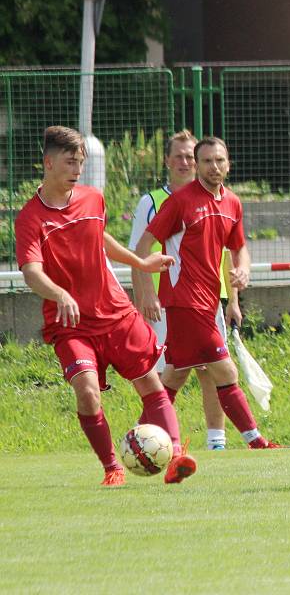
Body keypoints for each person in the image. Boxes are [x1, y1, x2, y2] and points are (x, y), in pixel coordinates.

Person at [14, 125, 197, 486]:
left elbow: (101, 237)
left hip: (115, 313)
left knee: (150, 382)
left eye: (81, 162)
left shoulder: (92, 198)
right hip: (71, 323)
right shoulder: (30, 218)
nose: (77, 169)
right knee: (87, 392)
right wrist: (59, 293)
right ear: (48, 163)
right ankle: (112, 467)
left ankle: (175, 456)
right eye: (70, 162)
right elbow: (31, 272)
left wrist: (141, 264)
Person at [134, 136, 282, 449]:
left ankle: (138, 437)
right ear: (198, 166)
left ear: (228, 164)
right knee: (224, 368)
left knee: (175, 375)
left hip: (210, 301)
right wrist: (147, 290)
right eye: (206, 161)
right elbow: (144, 245)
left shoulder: (233, 203)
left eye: (219, 160)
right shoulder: (181, 201)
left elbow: (239, 248)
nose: (213, 167)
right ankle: (255, 440)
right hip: (184, 301)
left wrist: (243, 272)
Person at [129, 129, 239, 451]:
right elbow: (139, 251)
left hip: (208, 300)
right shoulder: (153, 201)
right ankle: (147, 436)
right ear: (166, 160)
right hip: (167, 303)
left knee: (210, 369)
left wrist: (232, 299)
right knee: (170, 372)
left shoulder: (217, 199)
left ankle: (216, 441)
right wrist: (146, 295)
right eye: (178, 156)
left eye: (190, 156)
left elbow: (226, 253)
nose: (185, 161)